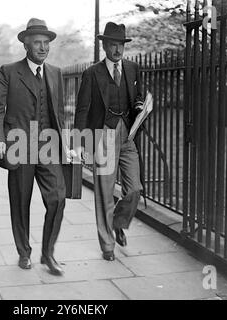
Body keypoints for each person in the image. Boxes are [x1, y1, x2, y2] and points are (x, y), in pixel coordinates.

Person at [0, 18, 67, 275]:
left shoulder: (55, 73)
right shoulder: (9, 72)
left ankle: (48, 253)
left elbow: (59, 113)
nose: (43, 48)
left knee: (58, 198)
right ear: (26, 45)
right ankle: (24, 252)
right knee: (20, 203)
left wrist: (68, 145)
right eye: (37, 43)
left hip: (48, 147)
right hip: (19, 146)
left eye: (46, 43)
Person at [74, 22, 144, 261]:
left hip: (128, 135)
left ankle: (119, 222)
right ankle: (107, 245)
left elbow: (138, 97)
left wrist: (139, 106)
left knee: (134, 188)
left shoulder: (133, 69)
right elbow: (82, 109)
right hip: (103, 134)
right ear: (104, 46)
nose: (117, 50)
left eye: (120, 45)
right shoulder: (92, 73)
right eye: (113, 45)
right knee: (104, 192)